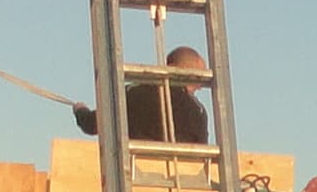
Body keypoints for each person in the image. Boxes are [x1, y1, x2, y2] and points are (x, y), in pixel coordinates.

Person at [72, 45, 212, 145]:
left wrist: (80, 110)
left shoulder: (131, 93)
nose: (199, 86)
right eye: (198, 77)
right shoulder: (197, 111)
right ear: (183, 70)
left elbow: (93, 124)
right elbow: (201, 158)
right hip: (181, 182)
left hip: (133, 178)